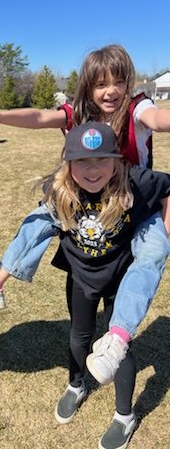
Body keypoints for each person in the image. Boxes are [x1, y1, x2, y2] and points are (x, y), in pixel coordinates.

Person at [0, 44, 170, 383]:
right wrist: (1, 116)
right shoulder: (79, 114)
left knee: (155, 251)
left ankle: (117, 337)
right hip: (88, 198)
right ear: (88, 87)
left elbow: (158, 120)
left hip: (133, 202)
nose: (110, 90)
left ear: (128, 83)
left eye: (118, 81)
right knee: (40, 218)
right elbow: (40, 116)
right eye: (101, 84)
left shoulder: (139, 108)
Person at [42, 122, 169, 449]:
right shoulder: (61, 189)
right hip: (81, 276)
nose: (93, 169)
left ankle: (124, 416)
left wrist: (165, 228)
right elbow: (40, 219)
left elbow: (167, 186)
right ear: (68, 165)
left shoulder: (136, 185)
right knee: (79, 334)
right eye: (83, 161)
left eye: (102, 159)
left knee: (118, 343)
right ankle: (76, 384)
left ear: (117, 161)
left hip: (120, 278)